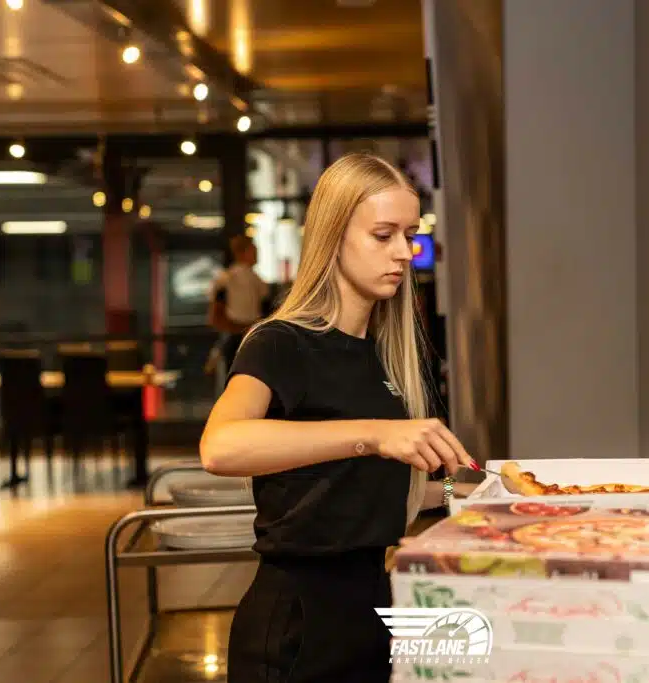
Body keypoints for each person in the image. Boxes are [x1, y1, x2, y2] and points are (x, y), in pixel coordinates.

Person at [199, 152, 479, 683]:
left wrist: (458, 493)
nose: (404, 252)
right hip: (300, 623)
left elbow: (356, 486)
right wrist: (375, 435)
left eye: (409, 235)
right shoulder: (280, 343)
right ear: (332, 236)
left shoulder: (385, 354)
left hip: (372, 605)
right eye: (383, 235)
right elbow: (220, 447)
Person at [207, 234, 271, 372]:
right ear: (241, 253)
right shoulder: (226, 279)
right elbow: (215, 314)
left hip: (252, 333)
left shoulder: (256, 279)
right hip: (236, 335)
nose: (257, 254)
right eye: (253, 250)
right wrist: (236, 329)